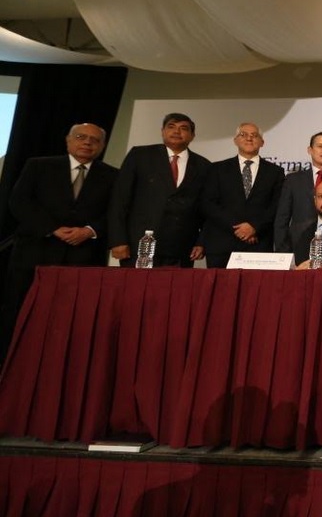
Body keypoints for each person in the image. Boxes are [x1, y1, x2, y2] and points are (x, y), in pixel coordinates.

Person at [3, 123, 118, 358]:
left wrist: (89, 230)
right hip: (35, 252)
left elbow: (117, 212)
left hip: (83, 256)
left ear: (103, 146)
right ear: (68, 140)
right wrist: (52, 228)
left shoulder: (113, 175)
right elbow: (19, 201)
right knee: (20, 310)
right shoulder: (39, 165)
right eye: (81, 137)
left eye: (94, 140)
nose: (87, 142)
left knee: (73, 317)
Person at [108, 113, 211, 267]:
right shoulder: (140, 155)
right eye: (171, 127)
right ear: (162, 131)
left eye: (184, 128)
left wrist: (201, 242)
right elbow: (119, 199)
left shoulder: (204, 166)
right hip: (139, 245)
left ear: (192, 135)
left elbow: (206, 209)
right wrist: (117, 240)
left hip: (182, 248)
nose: (177, 131)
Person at [200, 123, 285, 268]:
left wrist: (254, 227)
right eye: (243, 134)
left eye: (254, 135)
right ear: (235, 140)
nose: (249, 138)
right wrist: (239, 229)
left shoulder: (275, 172)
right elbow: (208, 204)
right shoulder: (217, 169)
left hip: (258, 243)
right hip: (222, 243)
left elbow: (277, 205)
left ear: (262, 142)